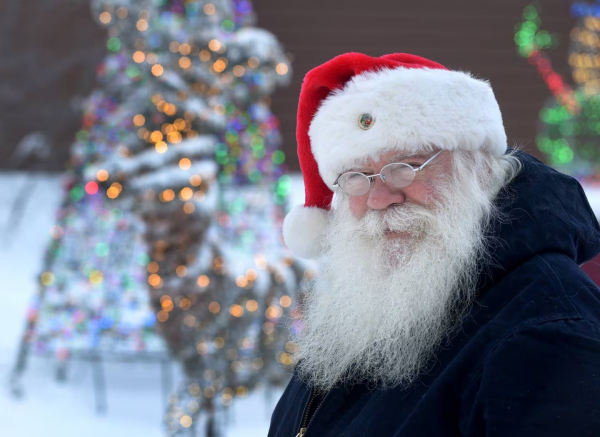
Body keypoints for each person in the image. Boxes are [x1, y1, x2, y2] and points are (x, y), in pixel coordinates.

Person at [268, 53, 600, 437]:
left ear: (480, 170)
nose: (379, 198)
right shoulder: (369, 311)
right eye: (357, 177)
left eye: (406, 167)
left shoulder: (546, 334)